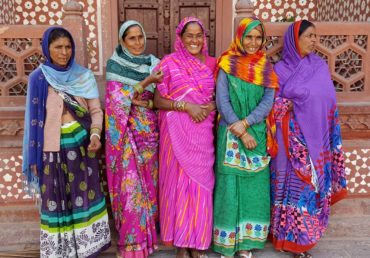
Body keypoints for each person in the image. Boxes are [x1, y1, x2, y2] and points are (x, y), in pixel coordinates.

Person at [22, 27, 111, 257]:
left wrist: (94, 135)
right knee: (56, 198)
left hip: (82, 146)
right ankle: (63, 251)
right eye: (58, 47)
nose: (64, 52)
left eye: (68, 47)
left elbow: (95, 111)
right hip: (51, 150)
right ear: (47, 49)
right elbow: (33, 119)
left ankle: (87, 247)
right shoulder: (38, 78)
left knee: (84, 197)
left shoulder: (83, 76)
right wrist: (34, 158)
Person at [269, 20, 348, 258]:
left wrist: (303, 102)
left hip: (316, 137)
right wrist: (288, 104)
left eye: (316, 36)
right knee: (292, 189)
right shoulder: (279, 70)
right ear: (295, 39)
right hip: (288, 138)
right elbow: (271, 103)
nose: (314, 40)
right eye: (309, 36)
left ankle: (303, 239)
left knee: (310, 188)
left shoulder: (320, 66)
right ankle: (288, 239)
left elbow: (328, 101)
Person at [212, 17, 279, 258]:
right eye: (248, 36)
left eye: (257, 37)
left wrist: (248, 123)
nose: (253, 42)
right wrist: (239, 128)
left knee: (254, 188)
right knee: (229, 187)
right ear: (240, 36)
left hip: (257, 134)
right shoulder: (227, 64)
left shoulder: (266, 67)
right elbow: (222, 100)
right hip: (230, 134)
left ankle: (247, 244)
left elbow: (267, 101)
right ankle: (227, 243)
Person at [153, 17, 217, 258]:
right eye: (189, 36)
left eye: (198, 36)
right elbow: (157, 100)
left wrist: (206, 108)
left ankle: (197, 242)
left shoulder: (212, 63)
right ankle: (181, 243)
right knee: (178, 185)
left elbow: (219, 98)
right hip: (175, 133)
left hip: (202, 134)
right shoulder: (168, 63)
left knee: (201, 186)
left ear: (204, 38)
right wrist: (187, 107)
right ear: (180, 38)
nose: (194, 40)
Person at [105, 20, 163, 258]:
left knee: (149, 188)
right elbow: (115, 102)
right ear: (122, 41)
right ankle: (131, 247)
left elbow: (160, 100)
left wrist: (147, 100)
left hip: (149, 134)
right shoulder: (114, 65)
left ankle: (148, 243)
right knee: (131, 190)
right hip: (126, 137)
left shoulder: (154, 64)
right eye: (132, 38)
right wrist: (145, 83)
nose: (138, 43)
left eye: (140, 37)